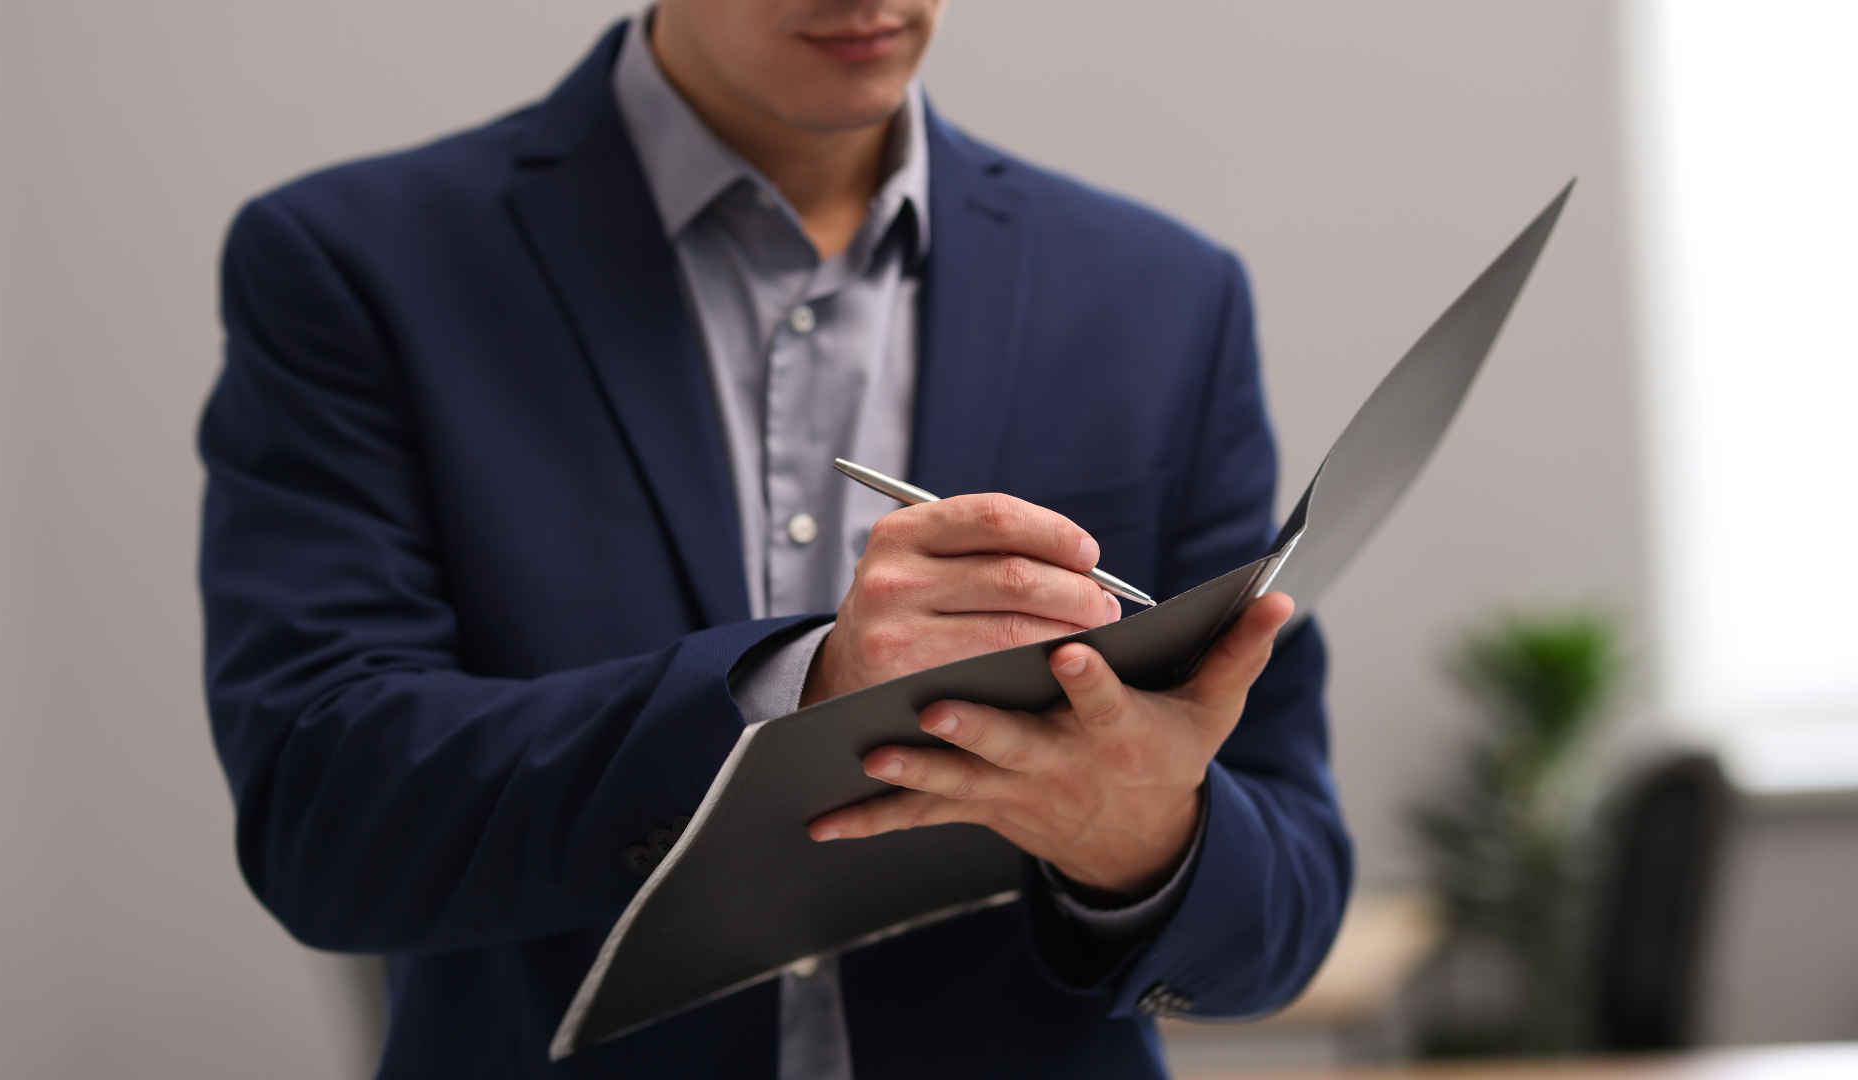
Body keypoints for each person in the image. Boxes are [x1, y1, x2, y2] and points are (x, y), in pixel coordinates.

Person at [198, 1, 1351, 1077]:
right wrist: (802, 691)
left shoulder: (1161, 297)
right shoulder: (357, 265)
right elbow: (328, 823)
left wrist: (1149, 844)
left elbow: (1285, 918)